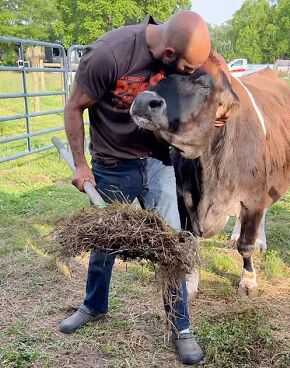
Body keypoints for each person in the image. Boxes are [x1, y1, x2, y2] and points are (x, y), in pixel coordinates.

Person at [58, 10, 210, 365]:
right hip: (113, 165)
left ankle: (181, 328)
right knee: (104, 241)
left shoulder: (182, 59)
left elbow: (201, 90)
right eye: (187, 68)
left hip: (158, 164)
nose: (188, 73)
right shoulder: (109, 55)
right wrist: (81, 165)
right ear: (169, 55)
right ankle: (94, 305)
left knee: (173, 245)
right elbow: (74, 106)